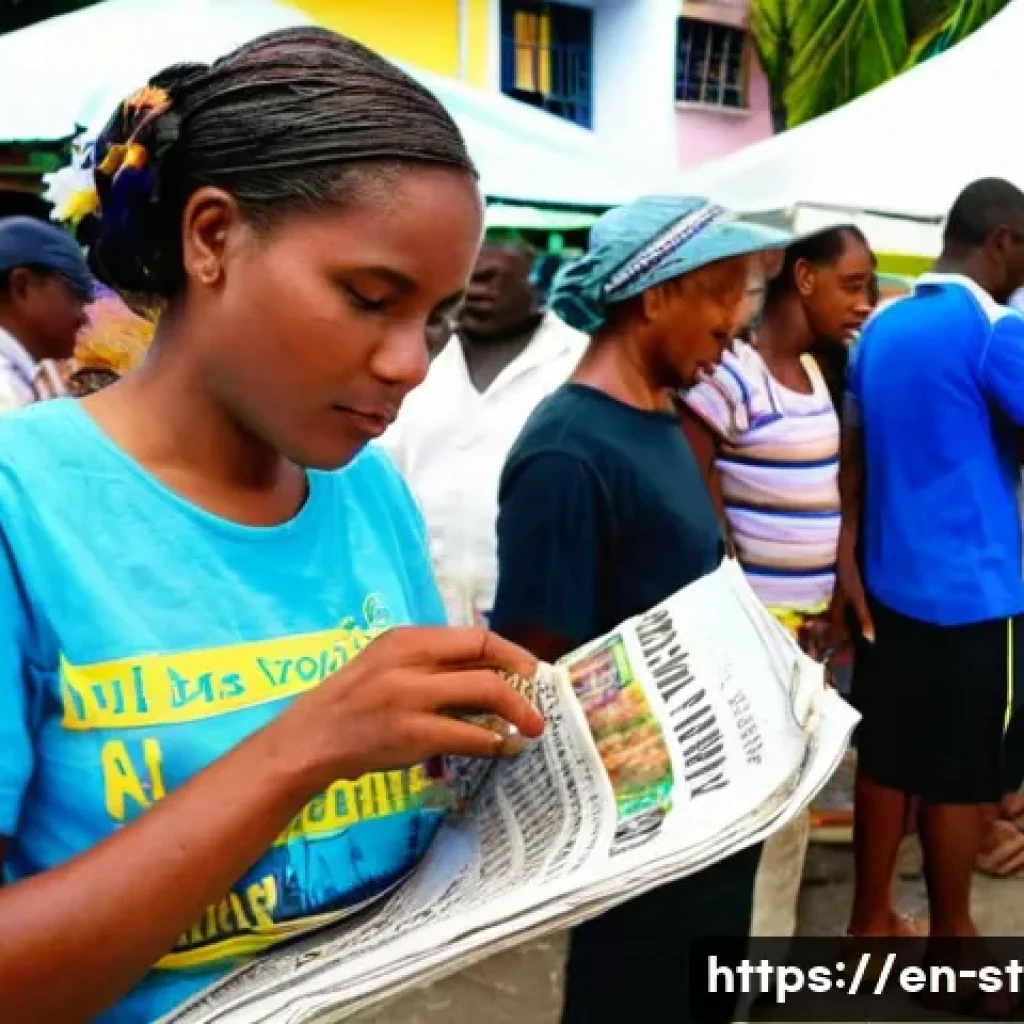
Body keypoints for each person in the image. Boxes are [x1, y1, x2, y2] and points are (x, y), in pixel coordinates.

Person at [0, 29, 545, 1024]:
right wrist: (302, 750)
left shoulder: (369, 493)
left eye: (433, 317)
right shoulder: (22, 511)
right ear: (211, 237)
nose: (410, 363)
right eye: (369, 298)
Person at [489, 196, 789, 1023]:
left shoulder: (660, 420)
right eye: (722, 293)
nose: (735, 324)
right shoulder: (568, 452)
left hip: (711, 822)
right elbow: (533, 656)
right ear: (654, 294)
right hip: (643, 835)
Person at [841, 178, 1024, 953]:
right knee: (963, 778)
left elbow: (853, 457)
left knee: (888, 758)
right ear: (1004, 241)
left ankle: (868, 921)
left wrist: (850, 559)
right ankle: (955, 950)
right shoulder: (993, 330)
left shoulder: (881, 328)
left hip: (887, 586)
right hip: (975, 595)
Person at [680, 225, 875, 941]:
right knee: (744, 808)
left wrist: (834, 593)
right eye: (852, 285)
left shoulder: (820, 376)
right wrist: (739, 611)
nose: (864, 302)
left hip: (809, 637)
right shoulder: (734, 373)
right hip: (751, 634)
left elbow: (833, 494)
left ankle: (763, 958)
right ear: (802, 279)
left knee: (790, 808)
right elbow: (694, 490)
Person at [381, 238, 585, 627]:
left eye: (492, 279)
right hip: (415, 594)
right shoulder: (413, 359)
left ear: (534, 284)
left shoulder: (575, 363)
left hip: (533, 602)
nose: (477, 291)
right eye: (469, 280)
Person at [0, 215, 91, 411]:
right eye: (75, 296)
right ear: (21, 286)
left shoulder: (27, 375)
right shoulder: (6, 391)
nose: (83, 317)